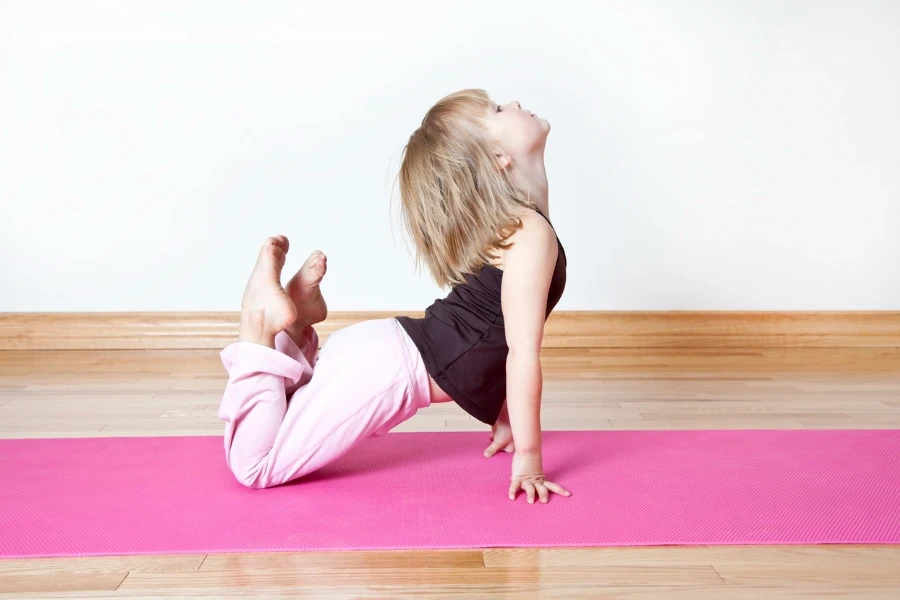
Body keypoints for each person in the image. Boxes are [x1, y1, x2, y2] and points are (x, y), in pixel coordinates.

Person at [218, 89, 570, 505]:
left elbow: (493, 332)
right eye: (497, 108)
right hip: (385, 371)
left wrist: (504, 416)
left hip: (382, 355)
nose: (512, 102)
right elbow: (520, 352)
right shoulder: (528, 233)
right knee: (255, 466)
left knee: (292, 410)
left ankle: (294, 327)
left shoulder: (522, 226)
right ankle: (259, 326)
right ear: (498, 158)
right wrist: (529, 458)